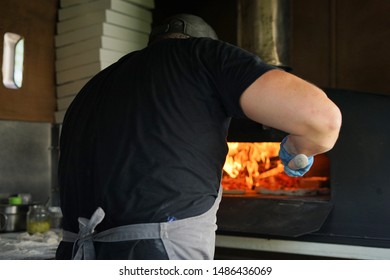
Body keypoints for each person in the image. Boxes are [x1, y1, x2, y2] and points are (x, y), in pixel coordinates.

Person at [55, 14, 342, 260]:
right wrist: (296, 147)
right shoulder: (202, 55)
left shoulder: (96, 84)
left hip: (74, 252)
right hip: (154, 255)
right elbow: (322, 120)